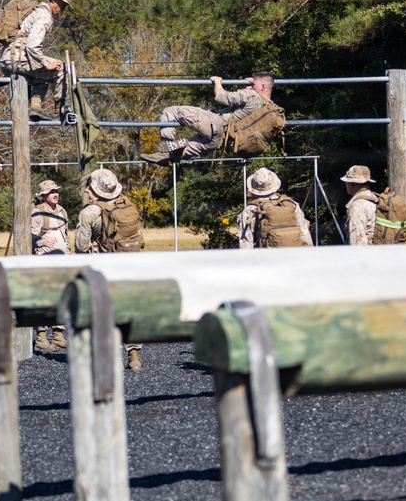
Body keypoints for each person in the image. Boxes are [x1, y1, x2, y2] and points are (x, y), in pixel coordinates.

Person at [73, 168, 145, 370]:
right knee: (128, 308)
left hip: (103, 268)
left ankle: (109, 358)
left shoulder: (89, 212)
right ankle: (134, 355)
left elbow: (81, 246)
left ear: (94, 189)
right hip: (128, 265)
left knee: (103, 311)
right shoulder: (127, 205)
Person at [141, 71, 276, 165]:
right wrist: (251, 86)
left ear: (263, 86)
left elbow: (221, 97)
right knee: (186, 151)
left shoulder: (251, 96)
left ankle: (167, 144)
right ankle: (174, 153)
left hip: (215, 123)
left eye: (253, 83)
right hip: (220, 140)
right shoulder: (268, 107)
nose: (250, 85)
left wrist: (217, 82)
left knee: (171, 111)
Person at [0, 0, 73, 122]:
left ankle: (36, 107)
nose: (63, 9)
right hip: (18, 58)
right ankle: (60, 111)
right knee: (60, 68)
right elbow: (32, 46)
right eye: (63, 4)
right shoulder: (44, 15)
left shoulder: (35, 11)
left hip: (9, 58)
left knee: (43, 75)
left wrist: (43, 66)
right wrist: (45, 64)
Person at [31, 179, 70, 353]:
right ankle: (40, 336)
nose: (55, 194)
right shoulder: (36, 213)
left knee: (62, 297)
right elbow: (27, 237)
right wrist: (40, 241)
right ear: (43, 195)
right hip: (43, 262)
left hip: (62, 262)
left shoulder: (62, 211)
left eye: (56, 190)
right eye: (51, 192)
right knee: (43, 298)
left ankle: (58, 335)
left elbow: (66, 235)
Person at [238, 167, 312, 248]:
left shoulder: (251, 210)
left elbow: (246, 243)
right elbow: (305, 235)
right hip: (294, 256)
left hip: (268, 258)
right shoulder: (291, 204)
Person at [341, 165, 378, 245]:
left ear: (352, 184)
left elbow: (357, 244)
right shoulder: (375, 200)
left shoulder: (356, 208)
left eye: (347, 183)